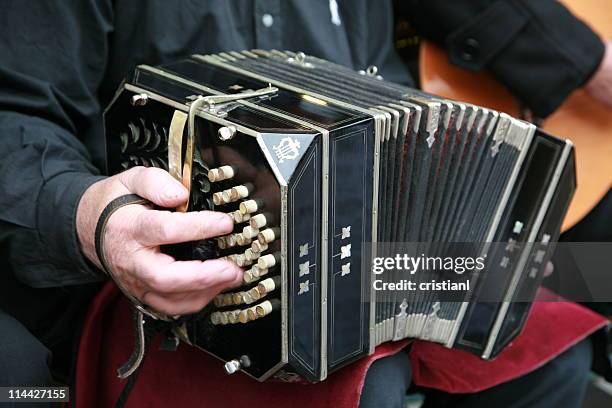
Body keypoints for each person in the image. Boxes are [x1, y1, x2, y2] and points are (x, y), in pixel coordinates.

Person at [0, 1, 609, 407]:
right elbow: (16, 116)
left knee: (552, 336)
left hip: (373, 258)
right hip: (173, 276)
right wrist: (92, 219)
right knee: (368, 385)